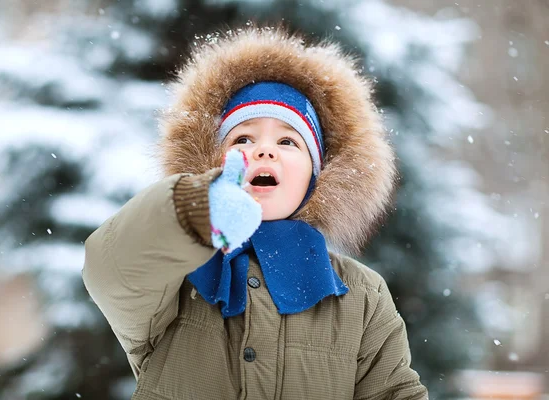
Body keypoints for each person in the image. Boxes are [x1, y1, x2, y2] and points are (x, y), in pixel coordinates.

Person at [82, 26, 428, 400]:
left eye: (287, 141)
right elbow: (113, 269)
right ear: (210, 160)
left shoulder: (360, 294)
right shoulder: (176, 273)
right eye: (243, 139)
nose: (264, 151)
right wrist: (193, 208)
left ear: (318, 173)